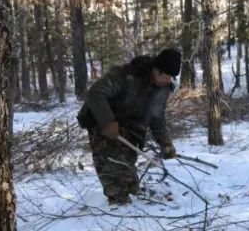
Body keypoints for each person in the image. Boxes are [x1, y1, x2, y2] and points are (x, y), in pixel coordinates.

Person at [77, 49, 181, 205]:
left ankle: (129, 194)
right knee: (112, 169)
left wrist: (166, 144)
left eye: (171, 78)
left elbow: (156, 116)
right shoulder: (126, 76)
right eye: (165, 76)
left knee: (128, 176)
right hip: (101, 120)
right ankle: (116, 206)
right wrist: (107, 121)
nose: (168, 81)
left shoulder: (163, 88)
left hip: (131, 126)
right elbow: (96, 93)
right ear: (156, 70)